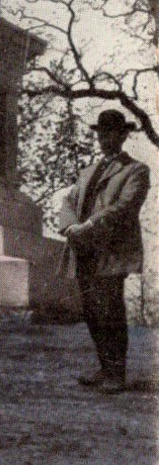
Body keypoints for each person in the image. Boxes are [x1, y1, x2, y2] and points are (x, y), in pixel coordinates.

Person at [59, 109, 150, 394]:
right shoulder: (87, 171)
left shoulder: (136, 170)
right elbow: (69, 201)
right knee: (91, 311)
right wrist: (70, 226)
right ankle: (104, 367)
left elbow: (124, 207)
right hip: (84, 249)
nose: (103, 138)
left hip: (111, 252)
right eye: (100, 132)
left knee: (110, 311)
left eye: (110, 132)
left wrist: (88, 225)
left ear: (123, 135)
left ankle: (116, 373)